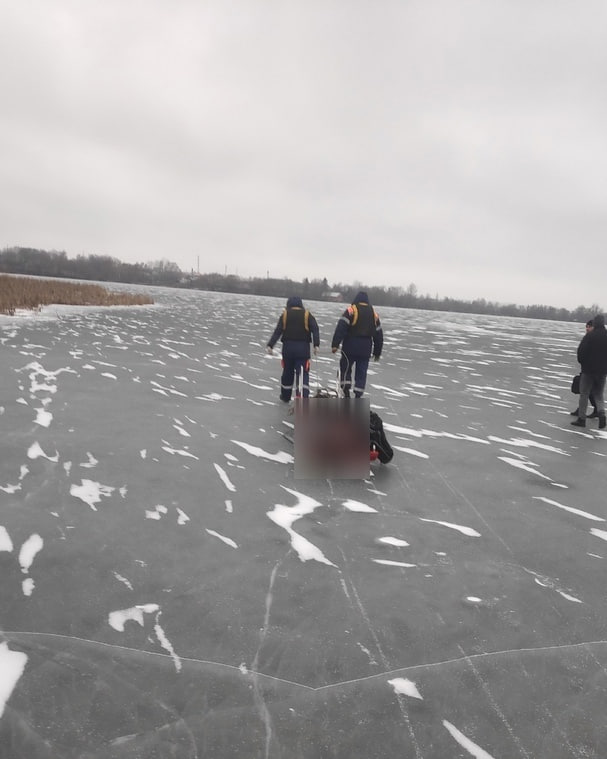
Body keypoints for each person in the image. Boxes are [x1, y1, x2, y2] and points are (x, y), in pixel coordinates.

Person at [267, 296, 320, 402]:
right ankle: (303, 397)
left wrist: (270, 345)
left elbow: (278, 331)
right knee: (302, 374)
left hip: (288, 350)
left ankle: (285, 397)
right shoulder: (307, 314)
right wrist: (316, 345)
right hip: (303, 350)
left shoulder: (285, 314)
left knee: (287, 373)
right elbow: (315, 328)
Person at [331, 290, 383, 398]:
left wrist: (335, 344)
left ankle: (346, 391)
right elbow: (378, 334)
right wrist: (377, 352)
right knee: (361, 372)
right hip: (365, 349)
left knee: (345, 368)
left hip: (350, 346)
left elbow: (341, 327)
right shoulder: (374, 314)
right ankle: (358, 395)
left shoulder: (351, 311)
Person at [571, 313, 607, 428]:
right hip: (602, 371)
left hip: (588, 371)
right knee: (599, 394)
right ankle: (601, 413)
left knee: (584, 394)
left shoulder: (589, 336)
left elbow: (581, 352)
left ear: (595, 323)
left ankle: (581, 419)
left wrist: (583, 363)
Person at [571, 320, 598, 417]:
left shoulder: (597, 339)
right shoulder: (587, 337)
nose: (587, 328)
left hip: (593, 369)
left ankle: (588, 410)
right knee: (588, 391)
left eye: (589, 326)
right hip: (586, 367)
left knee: (586, 391)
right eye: (586, 326)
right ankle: (595, 410)